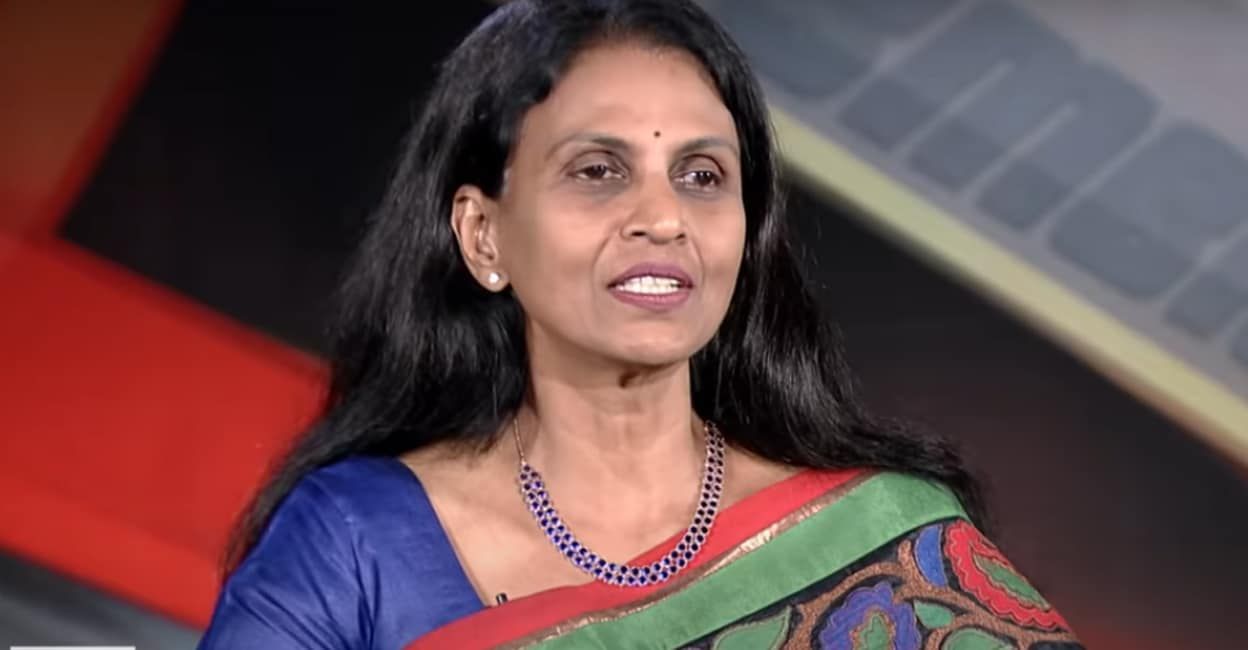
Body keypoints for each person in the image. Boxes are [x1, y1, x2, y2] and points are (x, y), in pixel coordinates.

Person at [198, 1, 1082, 648]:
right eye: (597, 170)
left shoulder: (884, 544)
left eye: (702, 176)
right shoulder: (356, 542)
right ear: (483, 234)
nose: (663, 218)